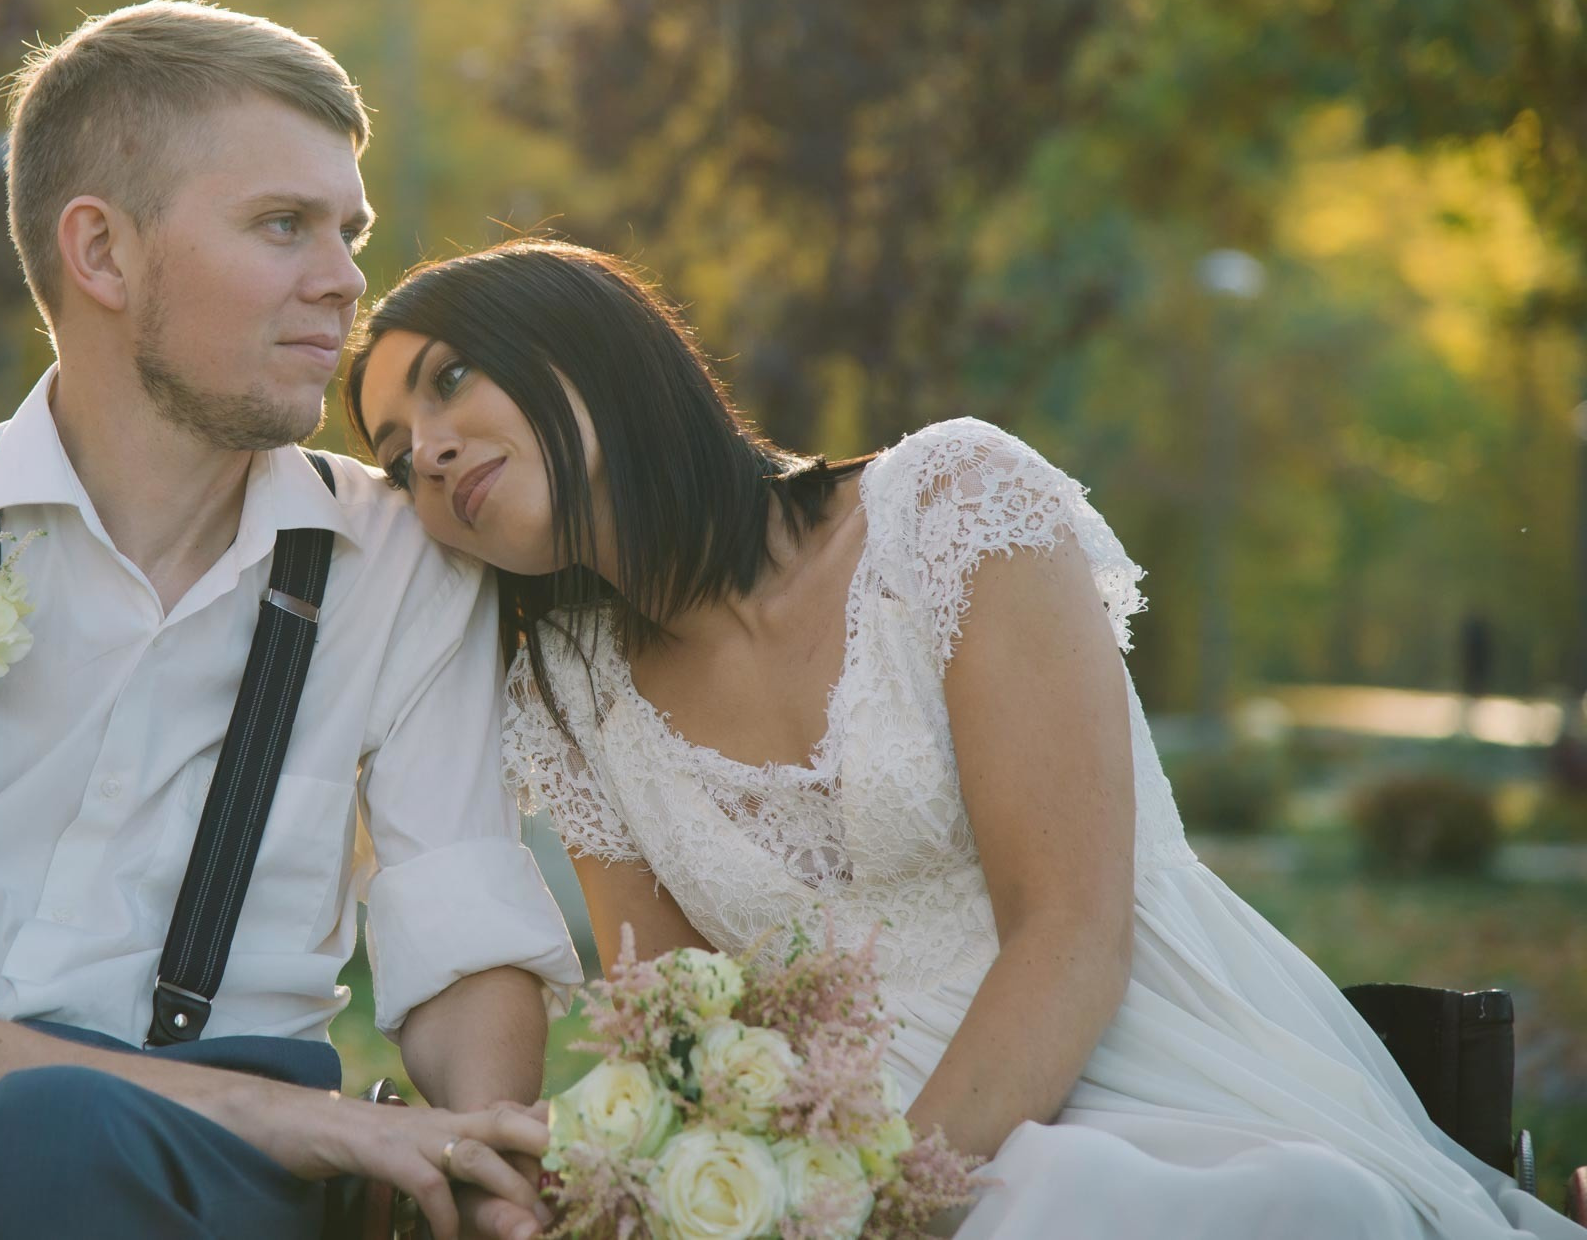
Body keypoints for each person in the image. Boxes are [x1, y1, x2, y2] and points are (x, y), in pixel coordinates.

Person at [347, 238, 1587, 1239]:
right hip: (830, 1158)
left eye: (448, 381)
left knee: (1229, 1209)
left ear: (584, 345)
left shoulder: (946, 507)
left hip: (1128, 1065)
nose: (429, 453)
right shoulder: (568, 693)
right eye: (395, 459)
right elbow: (684, 1028)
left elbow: (1070, 931)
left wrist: (887, 1208)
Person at [0, 3, 582, 1240]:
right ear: (102, 253)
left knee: (57, 1138)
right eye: (282, 224)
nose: (346, 278)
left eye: (347, 232)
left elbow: (461, 937)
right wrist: (289, 1116)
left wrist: (478, 1158)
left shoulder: (404, 564)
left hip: (187, 1174)